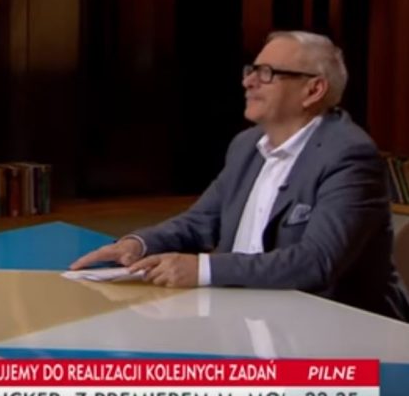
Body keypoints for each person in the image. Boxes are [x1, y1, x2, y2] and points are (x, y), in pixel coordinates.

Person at [71, 31, 409, 321]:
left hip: (337, 330)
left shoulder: (348, 154)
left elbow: (316, 262)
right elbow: (201, 221)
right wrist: (137, 244)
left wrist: (202, 270)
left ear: (313, 90)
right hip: (245, 313)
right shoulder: (247, 145)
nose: (248, 82)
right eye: (251, 70)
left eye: (267, 73)